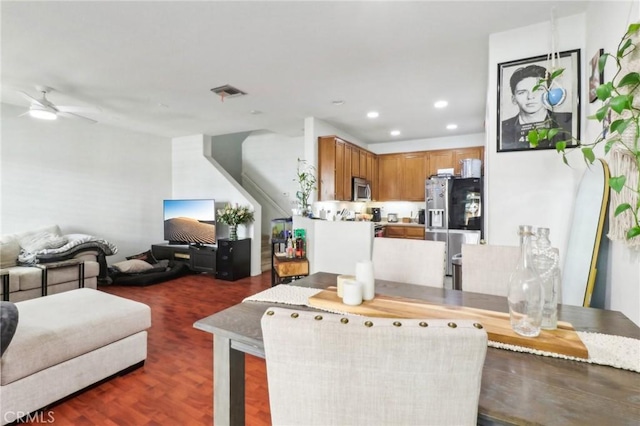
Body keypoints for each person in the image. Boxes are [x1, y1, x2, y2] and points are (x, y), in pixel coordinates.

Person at [500, 64, 572, 151]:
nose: (530, 97)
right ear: (514, 99)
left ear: (548, 93)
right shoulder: (502, 128)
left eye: (538, 90)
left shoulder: (569, 120)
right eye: (522, 92)